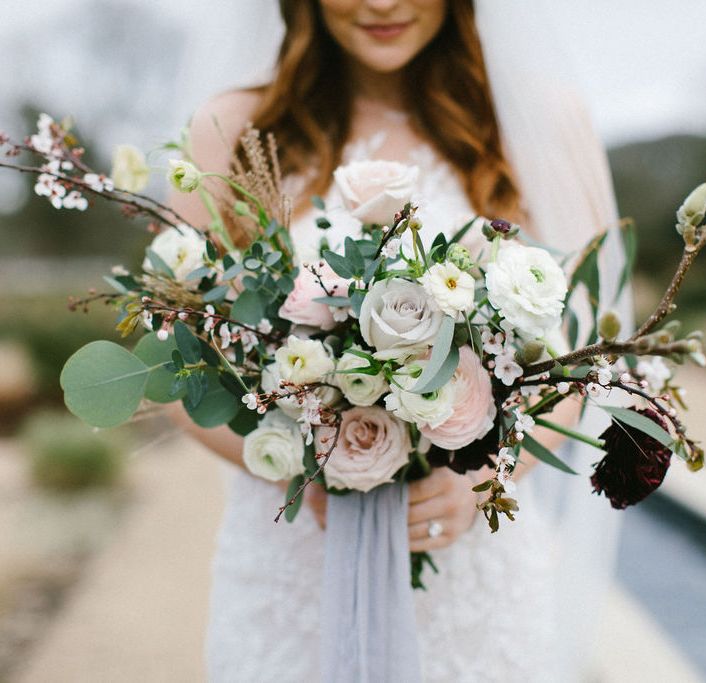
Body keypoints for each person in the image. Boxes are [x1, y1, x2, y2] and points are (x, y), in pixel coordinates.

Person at [171, 1, 627, 680]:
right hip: (292, 559)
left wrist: (486, 477)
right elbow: (183, 376)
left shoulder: (539, 123)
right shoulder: (231, 131)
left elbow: (584, 354)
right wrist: (302, 467)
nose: (382, 3)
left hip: (474, 563)